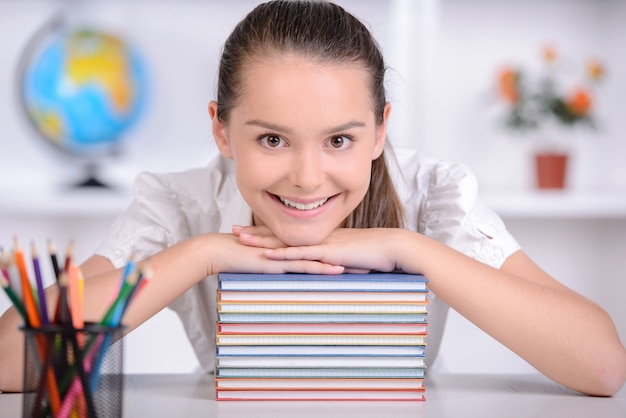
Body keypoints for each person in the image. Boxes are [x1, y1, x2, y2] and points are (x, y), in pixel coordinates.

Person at [1, 0, 625, 395]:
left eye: (339, 140)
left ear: (380, 130)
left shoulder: (433, 195)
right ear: (220, 127)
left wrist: (412, 249)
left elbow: (602, 365)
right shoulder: (180, 204)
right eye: (272, 138)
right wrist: (203, 255)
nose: (306, 177)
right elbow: (9, 364)